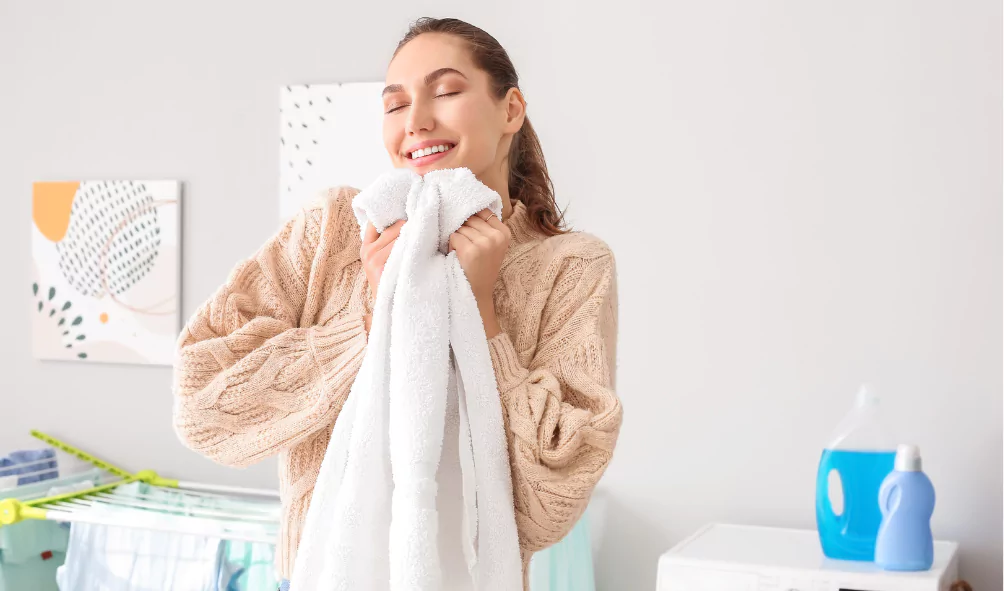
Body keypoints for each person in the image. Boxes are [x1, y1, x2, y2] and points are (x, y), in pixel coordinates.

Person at [172, 17, 622, 590]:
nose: (416, 121)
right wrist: (369, 318)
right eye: (395, 104)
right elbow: (202, 405)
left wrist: (484, 317)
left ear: (511, 110)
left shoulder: (572, 266)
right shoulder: (334, 229)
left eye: (447, 91)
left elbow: (550, 501)